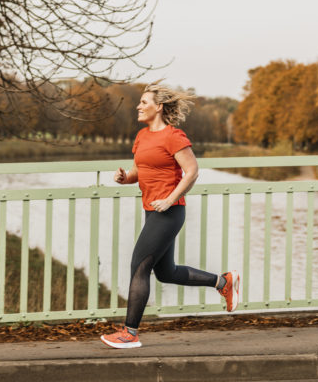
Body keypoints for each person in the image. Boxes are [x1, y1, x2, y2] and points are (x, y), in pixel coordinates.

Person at [100, 82, 240, 349]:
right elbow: (139, 171)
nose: (138, 106)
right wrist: (125, 178)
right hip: (152, 212)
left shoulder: (174, 136)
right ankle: (223, 282)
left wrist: (170, 199)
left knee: (139, 267)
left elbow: (192, 171)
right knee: (166, 272)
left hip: (169, 212)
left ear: (158, 107)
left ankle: (130, 333)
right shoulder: (142, 136)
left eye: (143, 102)